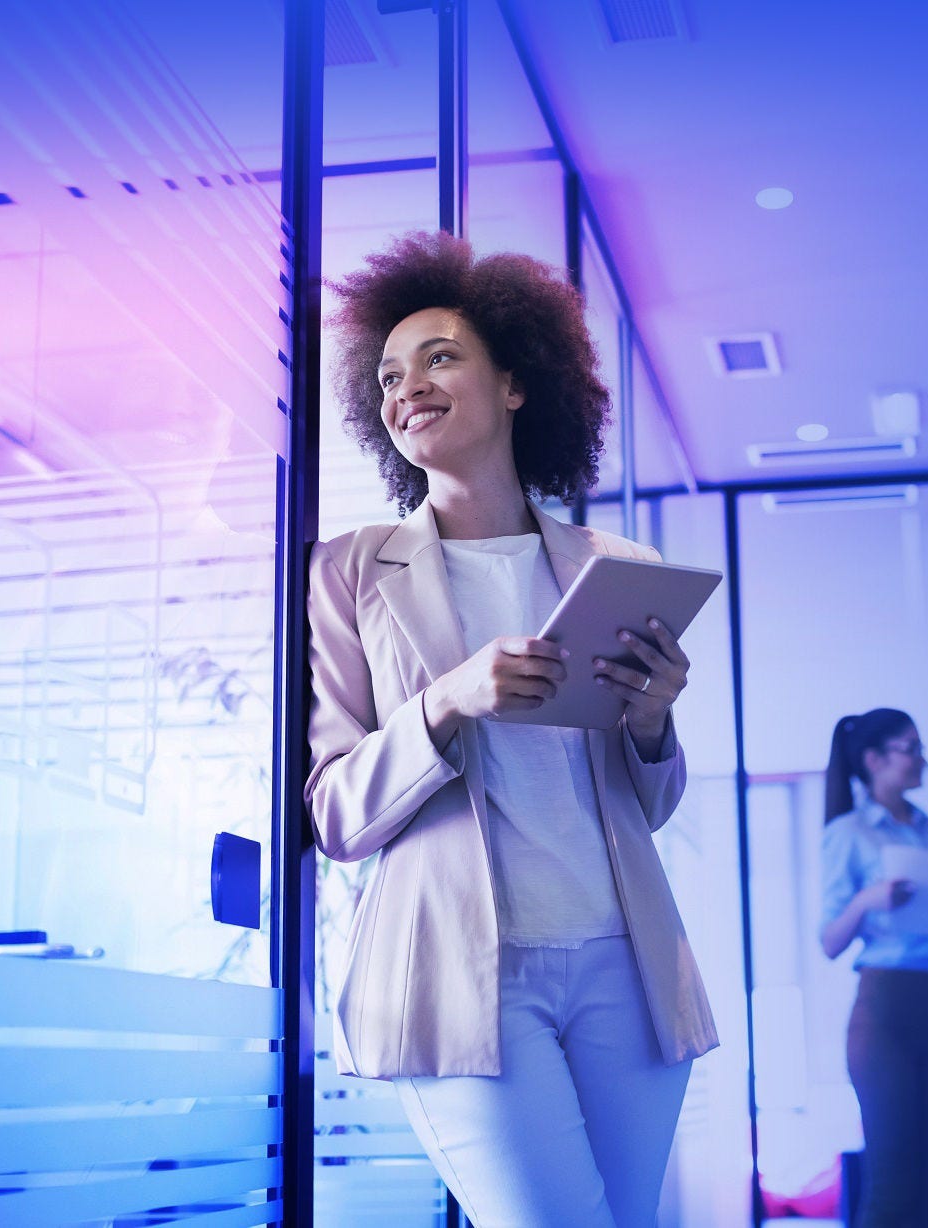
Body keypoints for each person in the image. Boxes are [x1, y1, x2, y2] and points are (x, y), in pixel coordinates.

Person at [304, 231, 717, 1228]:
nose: (409, 386)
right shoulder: (351, 571)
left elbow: (646, 805)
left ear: (515, 385)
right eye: (390, 374)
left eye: (439, 357)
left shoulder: (608, 561)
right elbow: (333, 812)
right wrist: (446, 701)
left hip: (625, 963)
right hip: (457, 975)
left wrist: (652, 720)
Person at [819, 708, 928, 1228]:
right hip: (884, 1010)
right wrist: (869, 900)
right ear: (874, 760)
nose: (922, 759)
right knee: (892, 1186)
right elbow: (829, 941)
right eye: (911, 748)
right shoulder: (848, 833)